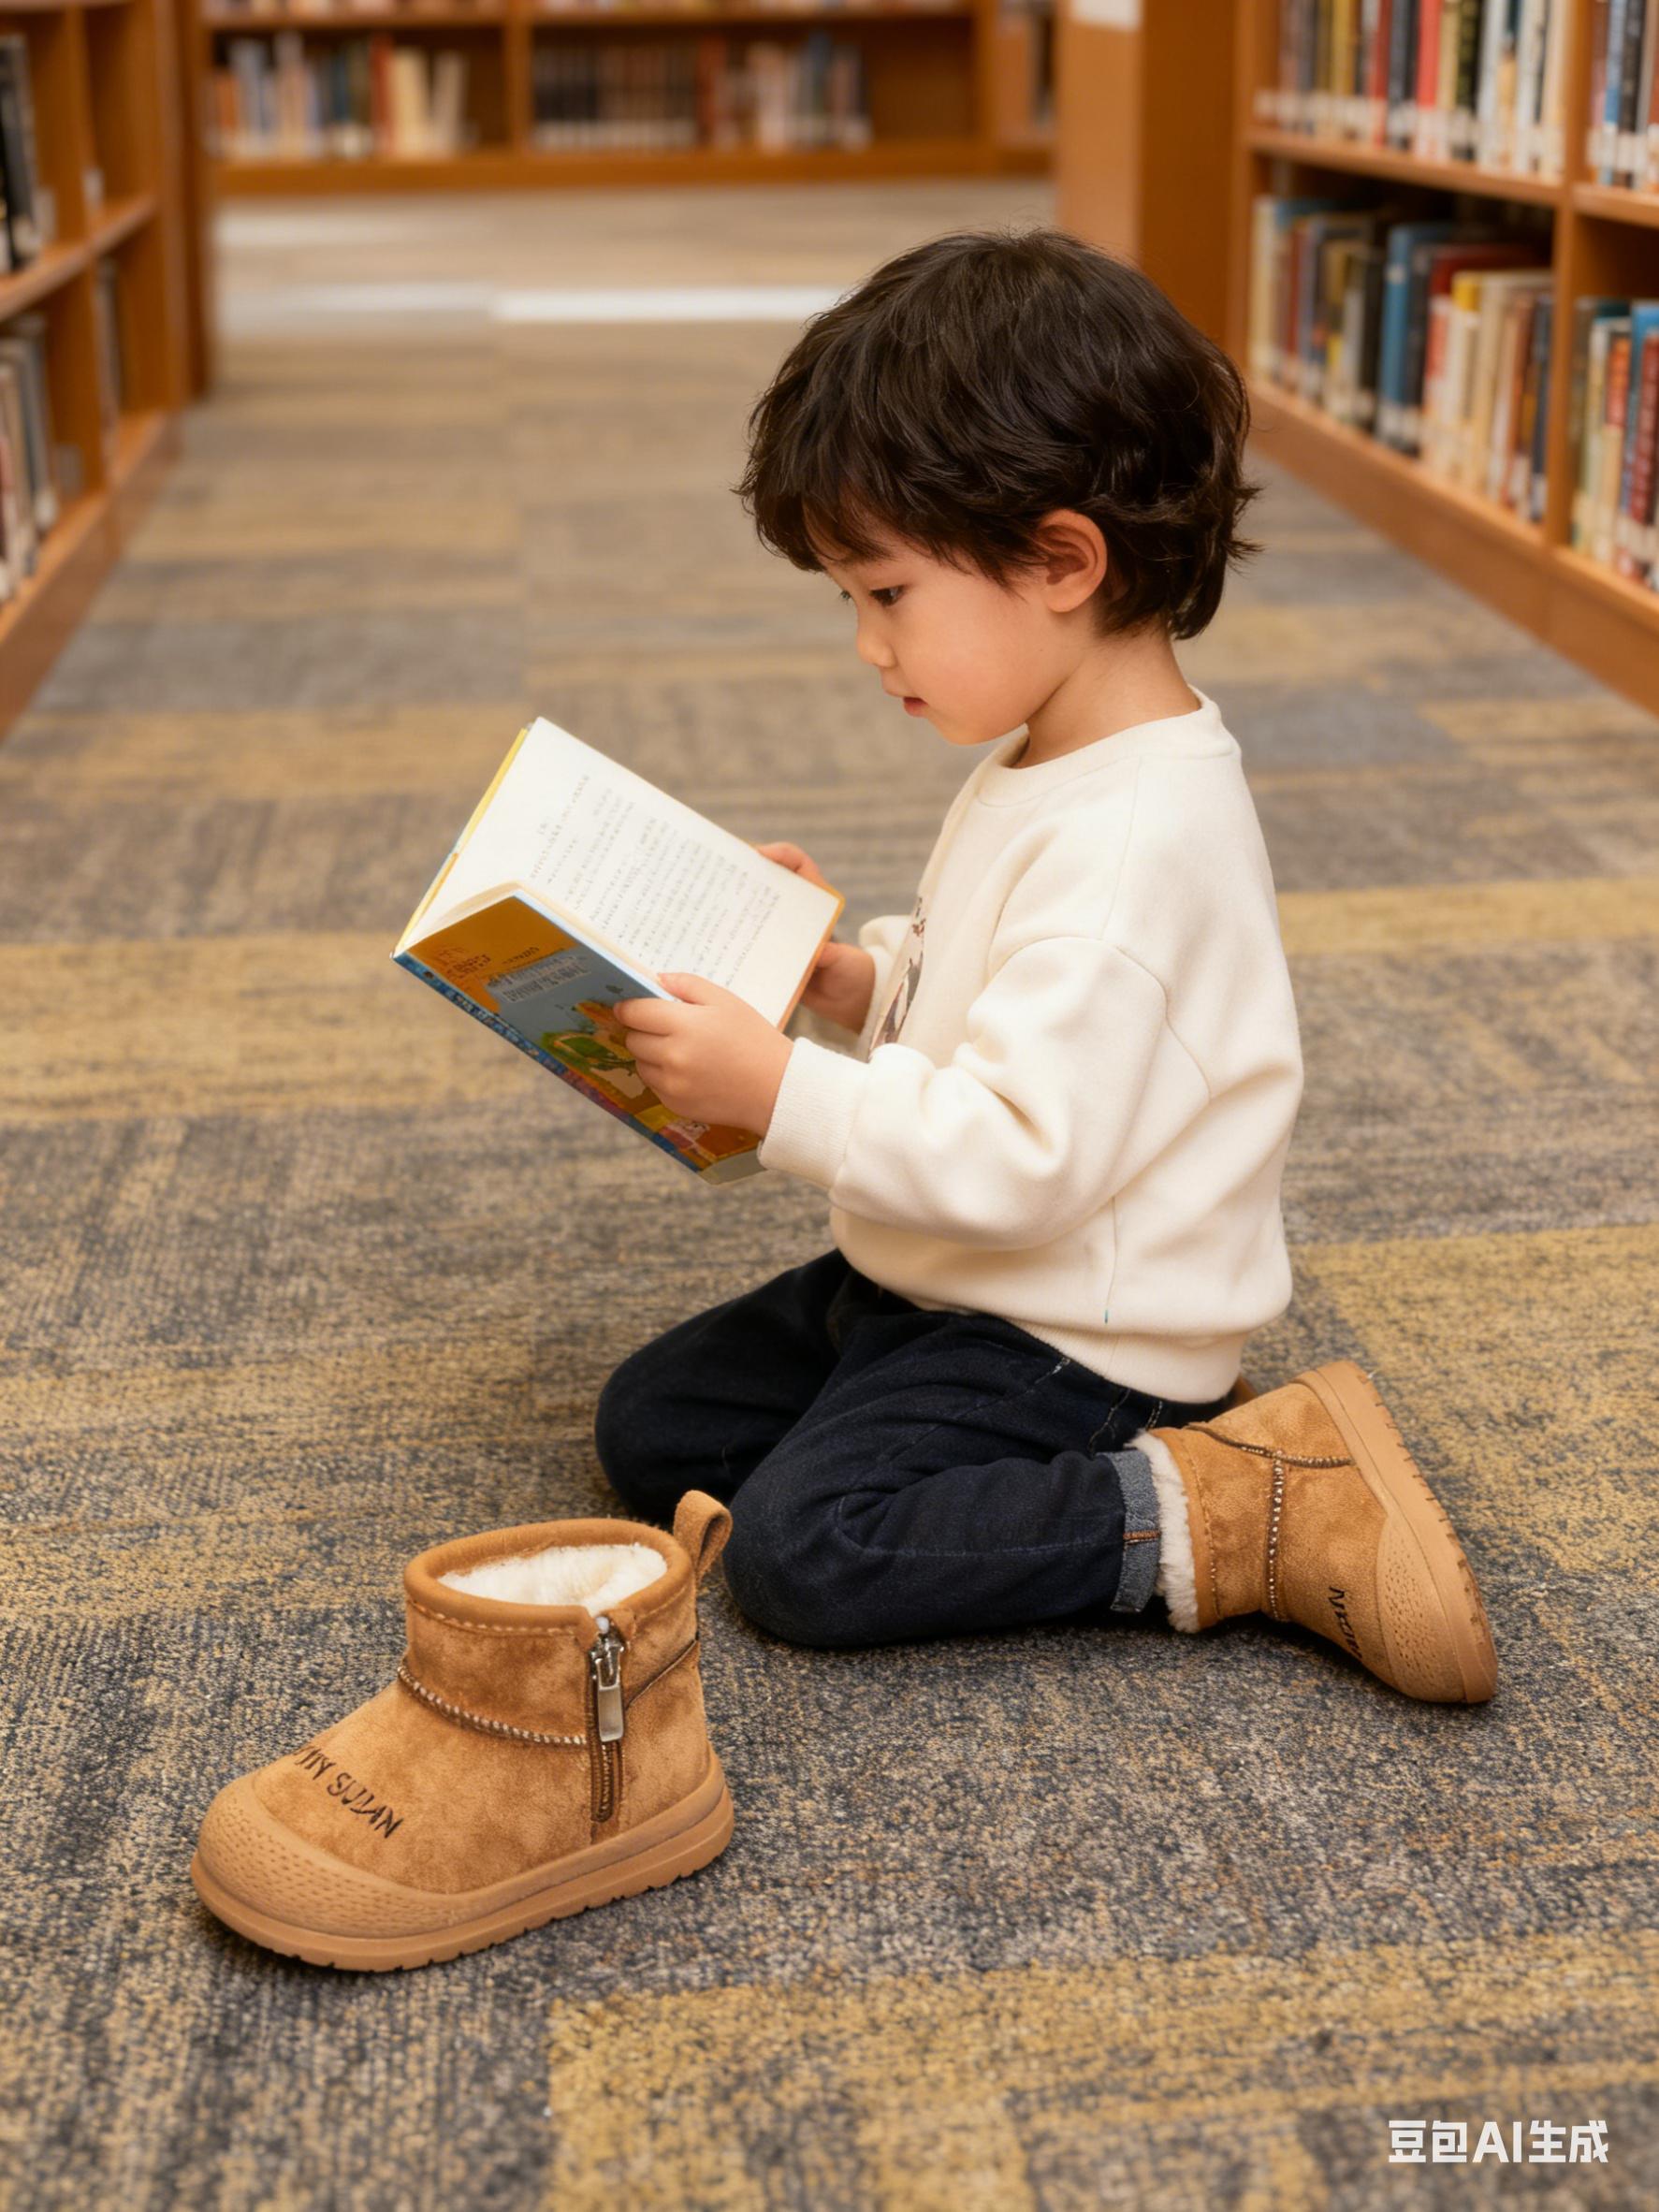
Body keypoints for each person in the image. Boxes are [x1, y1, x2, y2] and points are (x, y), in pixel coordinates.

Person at [601, 228, 1497, 1702]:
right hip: (956, 1272)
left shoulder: (1137, 842)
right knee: (658, 1423)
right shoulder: (1056, 754)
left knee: (809, 1554)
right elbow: (991, 1005)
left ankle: (1241, 1500)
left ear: (1061, 560)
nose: (862, 643)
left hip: (1076, 1326)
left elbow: (1019, 1155)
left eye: (884, 594)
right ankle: (970, 1472)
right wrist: (850, 980)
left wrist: (779, 1096)